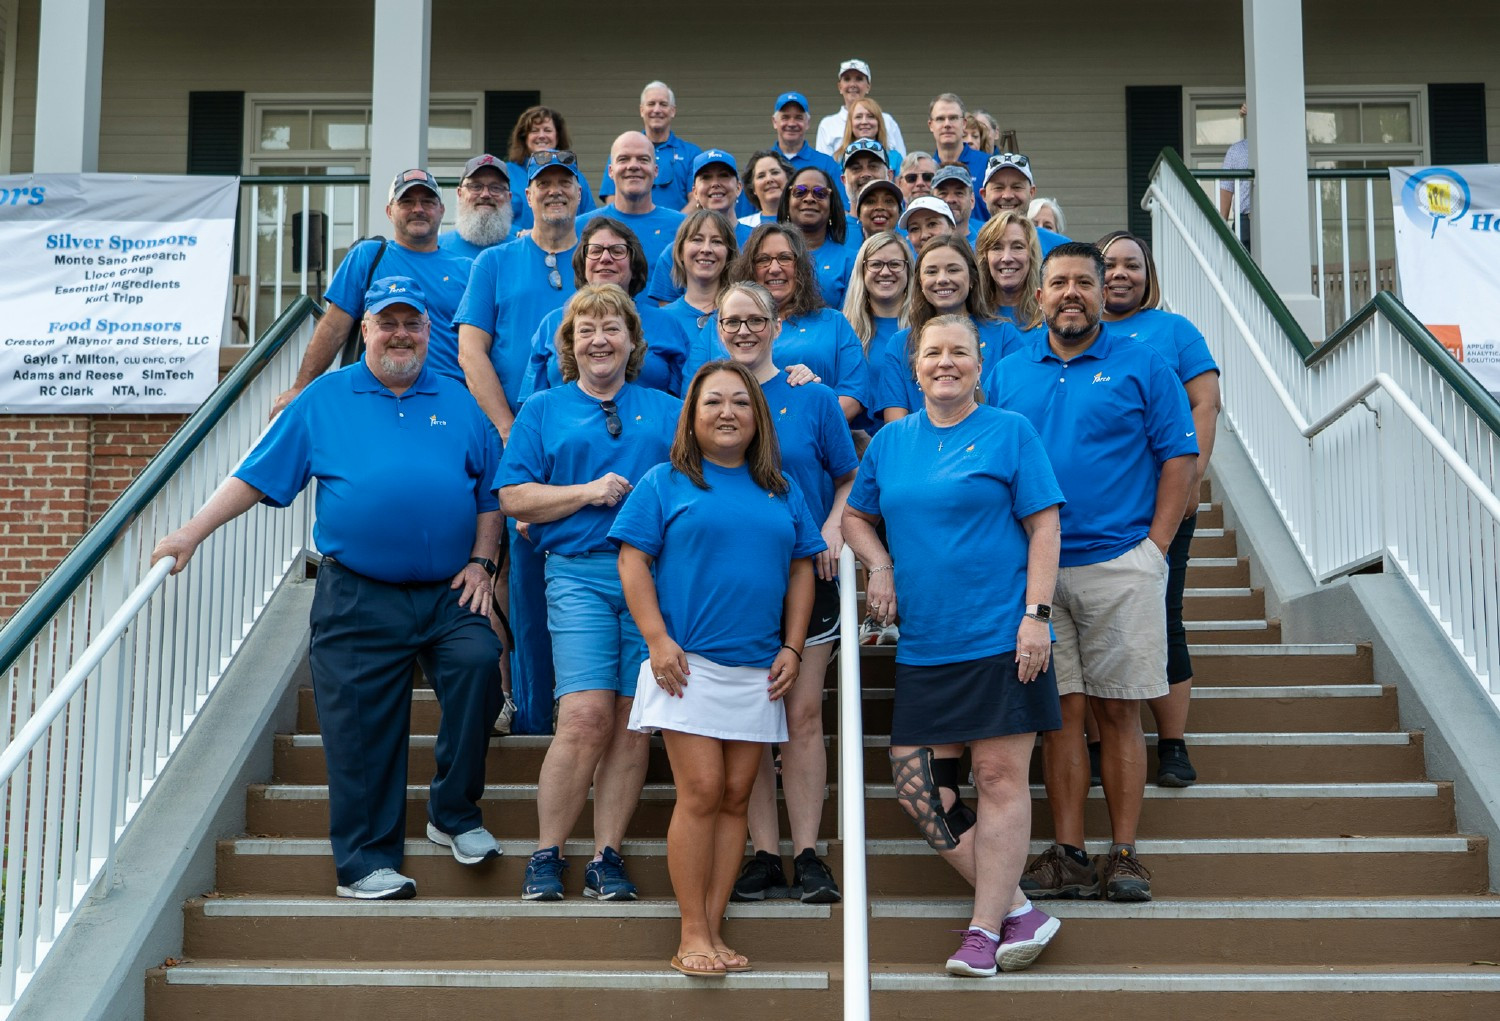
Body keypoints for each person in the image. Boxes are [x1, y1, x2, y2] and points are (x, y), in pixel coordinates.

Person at [154, 276, 502, 900]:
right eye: (387, 323)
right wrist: (191, 532)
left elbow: (488, 495)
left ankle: (452, 812)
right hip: (359, 592)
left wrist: (483, 564)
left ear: (429, 332)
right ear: (364, 329)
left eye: (412, 324)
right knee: (361, 726)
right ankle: (365, 864)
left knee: (480, 665)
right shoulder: (324, 399)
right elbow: (256, 478)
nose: (400, 334)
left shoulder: (458, 399)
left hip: (451, 590)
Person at [842, 313, 1066, 976]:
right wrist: (879, 563)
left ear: (979, 363)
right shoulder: (890, 441)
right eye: (933, 352)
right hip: (926, 646)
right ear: (914, 368)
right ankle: (1021, 906)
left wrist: (1036, 616)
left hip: (1001, 636)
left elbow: (1045, 527)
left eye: (959, 352)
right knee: (919, 790)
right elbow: (855, 515)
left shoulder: (1010, 432)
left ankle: (982, 929)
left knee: (997, 778)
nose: (946, 362)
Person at [998, 242, 1197, 904]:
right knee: (1060, 716)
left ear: (1101, 291)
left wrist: (1155, 547)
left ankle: (1125, 853)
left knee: (1118, 712)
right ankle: (1070, 851)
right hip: (1038, 572)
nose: (1073, 292)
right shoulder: (1008, 368)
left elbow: (1180, 459)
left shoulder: (1144, 363)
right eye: (1060, 282)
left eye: (1085, 280)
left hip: (1120, 562)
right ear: (1041, 293)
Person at [611, 360, 824, 976]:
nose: (726, 412)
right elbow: (631, 562)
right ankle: (692, 932)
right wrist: (656, 640)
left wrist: (791, 648)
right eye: (712, 403)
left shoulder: (782, 488)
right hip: (686, 665)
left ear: (758, 416)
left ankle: (715, 926)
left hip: (758, 670)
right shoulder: (664, 481)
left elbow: (803, 568)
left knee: (736, 798)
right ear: (692, 415)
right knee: (702, 790)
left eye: (739, 402)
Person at [498, 283, 682, 902]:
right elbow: (514, 497)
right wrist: (585, 492)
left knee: (633, 724)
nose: (599, 339)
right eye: (585, 331)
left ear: (632, 341)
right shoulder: (543, 408)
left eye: (611, 328)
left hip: (653, 581)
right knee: (583, 715)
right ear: (569, 346)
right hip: (577, 573)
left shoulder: (666, 408)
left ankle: (608, 855)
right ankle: (546, 853)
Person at [700, 283, 858, 906]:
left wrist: (829, 527)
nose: (743, 330)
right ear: (717, 325)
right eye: (731, 320)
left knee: (803, 715)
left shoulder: (809, 394)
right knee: (753, 720)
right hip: (737, 581)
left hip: (807, 574)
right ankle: (764, 855)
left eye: (754, 320)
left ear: (775, 325)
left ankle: (810, 853)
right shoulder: (709, 395)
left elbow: (848, 479)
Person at [456, 148, 584, 738]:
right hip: (509, 439)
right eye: (542, 185)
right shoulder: (495, 263)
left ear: (579, 193)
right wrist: (510, 430)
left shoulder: (598, 254)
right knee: (510, 567)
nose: (554, 192)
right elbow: (471, 350)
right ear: (524, 196)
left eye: (564, 183)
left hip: (587, 442)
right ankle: (516, 695)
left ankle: (580, 697)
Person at [1097, 230, 1222, 788]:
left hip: (1163, 504)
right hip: (1095, 510)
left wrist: (1193, 474)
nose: (1120, 274)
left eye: (1133, 265)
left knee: (1164, 616)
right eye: (1110, 265)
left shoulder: (1173, 330)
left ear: (1149, 276)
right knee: (1096, 625)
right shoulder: (1073, 333)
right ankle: (1102, 745)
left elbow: (1205, 401)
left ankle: (1171, 743)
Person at [270, 169, 472, 416]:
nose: (418, 209)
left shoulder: (468, 269)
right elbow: (333, 329)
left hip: (446, 403)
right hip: (378, 401)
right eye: (407, 201)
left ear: (441, 210)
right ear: (389, 211)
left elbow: (479, 347)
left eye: (427, 202)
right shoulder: (368, 256)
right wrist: (300, 388)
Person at [521, 217, 688, 397]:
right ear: (583, 263)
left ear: (634, 264)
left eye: (617, 251)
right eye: (595, 251)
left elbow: (686, 404)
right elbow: (530, 402)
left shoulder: (667, 324)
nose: (605, 258)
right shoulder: (552, 323)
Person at [725, 222, 868, 422]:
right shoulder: (722, 324)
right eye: (763, 260)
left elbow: (853, 395)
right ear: (749, 268)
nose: (774, 269)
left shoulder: (834, 323)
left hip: (815, 440)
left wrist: (805, 428)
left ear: (800, 267)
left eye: (785, 258)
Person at [871, 234, 1020, 424]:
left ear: (972, 278)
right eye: (931, 272)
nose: (942, 279)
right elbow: (896, 428)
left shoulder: (1004, 335)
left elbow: (1013, 416)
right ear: (920, 283)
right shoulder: (900, 344)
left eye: (953, 270)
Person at [646, 149, 753, 305]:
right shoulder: (675, 251)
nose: (715, 183)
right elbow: (669, 318)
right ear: (695, 192)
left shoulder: (757, 241)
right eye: (706, 177)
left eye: (724, 175)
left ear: (738, 187)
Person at [580, 132, 685, 267]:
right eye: (623, 159)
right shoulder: (581, 227)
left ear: (656, 171)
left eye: (643, 159)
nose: (633, 166)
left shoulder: (682, 228)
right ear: (610, 171)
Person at [598, 81, 703, 212]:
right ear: (642, 110)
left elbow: (697, 199)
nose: (657, 110)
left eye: (663, 104)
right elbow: (612, 197)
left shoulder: (691, 154)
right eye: (651, 104)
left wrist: (673, 227)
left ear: (672, 111)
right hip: (629, 231)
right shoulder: (622, 150)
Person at [738, 92, 843, 220]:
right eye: (785, 117)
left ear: (808, 122)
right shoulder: (760, 166)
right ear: (774, 122)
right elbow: (745, 217)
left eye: (798, 117)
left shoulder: (827, 164)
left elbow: (840, 210)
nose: (792, 123)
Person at [658, 210, 739, 366]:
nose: (706, 249)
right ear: (680, 251)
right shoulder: (662, 319)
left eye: (717, 241)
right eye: (697, 240)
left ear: (729, 254)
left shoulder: (744, 315)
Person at [777, 165, 859, 308]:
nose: (809, 198)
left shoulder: (850, 261)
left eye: (820, 193)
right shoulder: (767, 255)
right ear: (787, 202)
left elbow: (850, 318)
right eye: (800, 192)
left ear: (831, 206)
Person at [504, 106, 596, 231]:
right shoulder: (507, 173)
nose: (541, 136)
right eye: (535, 131)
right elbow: (495, 218)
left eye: (547, 130)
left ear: (557, 137)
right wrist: (519, 233)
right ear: (524, 137)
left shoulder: (575, 176)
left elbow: (590, 219)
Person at [815, 58, 907, 158]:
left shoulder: (887, 120)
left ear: (868, 86)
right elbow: (824, 168)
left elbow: (902, 164)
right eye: (847, 79)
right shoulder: (828, 124)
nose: (853, 85)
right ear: (840, 87)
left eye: (859, 79)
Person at [981, 153, 1069, 254]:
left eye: (1017, 187)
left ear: (1031, 193)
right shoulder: (970, 249)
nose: (1007, 195)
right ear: (984, 195)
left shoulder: (1059, 247)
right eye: (998, 188)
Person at [975, 211, 1045, 333]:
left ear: (1031, 254)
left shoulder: (1050, 315)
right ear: (985, 256)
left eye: (1017, 247)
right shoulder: (971, 316)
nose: (1007, 258)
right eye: (997, 248)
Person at [439, 154, 515, 259]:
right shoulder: (438, 248)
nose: (485, 194)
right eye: (475, 187)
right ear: (460, 194)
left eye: (496, 188)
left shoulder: (522, 252)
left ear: (509, 197)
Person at [927, 94, 992, 218]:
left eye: (953, 118)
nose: (947, 124)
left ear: (963, 124)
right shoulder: (926, 170)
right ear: (931, 125)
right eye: (940, 119)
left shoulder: (987, 164)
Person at [835, 97, 903, 171]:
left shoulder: (895, 157)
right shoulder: (837, 158)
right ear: (850, 124)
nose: (864, 122)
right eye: (858, 117)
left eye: (871, 117)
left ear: (879, 123)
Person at [1218, 105, 1253, 249]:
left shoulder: (1278, 147)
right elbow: (1226, 190)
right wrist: (1220, 231)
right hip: (1244, 221)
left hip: (1274, 216)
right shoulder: (1236, 151)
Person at [840, 138, 894, 221]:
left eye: (873, 166)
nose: (865, 174)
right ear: (844, 180)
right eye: (856, 168)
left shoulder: (908, 226)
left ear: (889, 176)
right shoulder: (834, 231)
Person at [741, 149, 795, 228]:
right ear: (753, 188)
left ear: (788, 179)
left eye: (775, 172)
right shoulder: (741, 225)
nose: (769, 179)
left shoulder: (806, 222)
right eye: (761, 176)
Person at [932, 165, 983, 247]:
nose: (951, 199)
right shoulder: (919, 246)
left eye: (959, 193)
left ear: (972, 201)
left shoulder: (987, 244)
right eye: (943, 193)